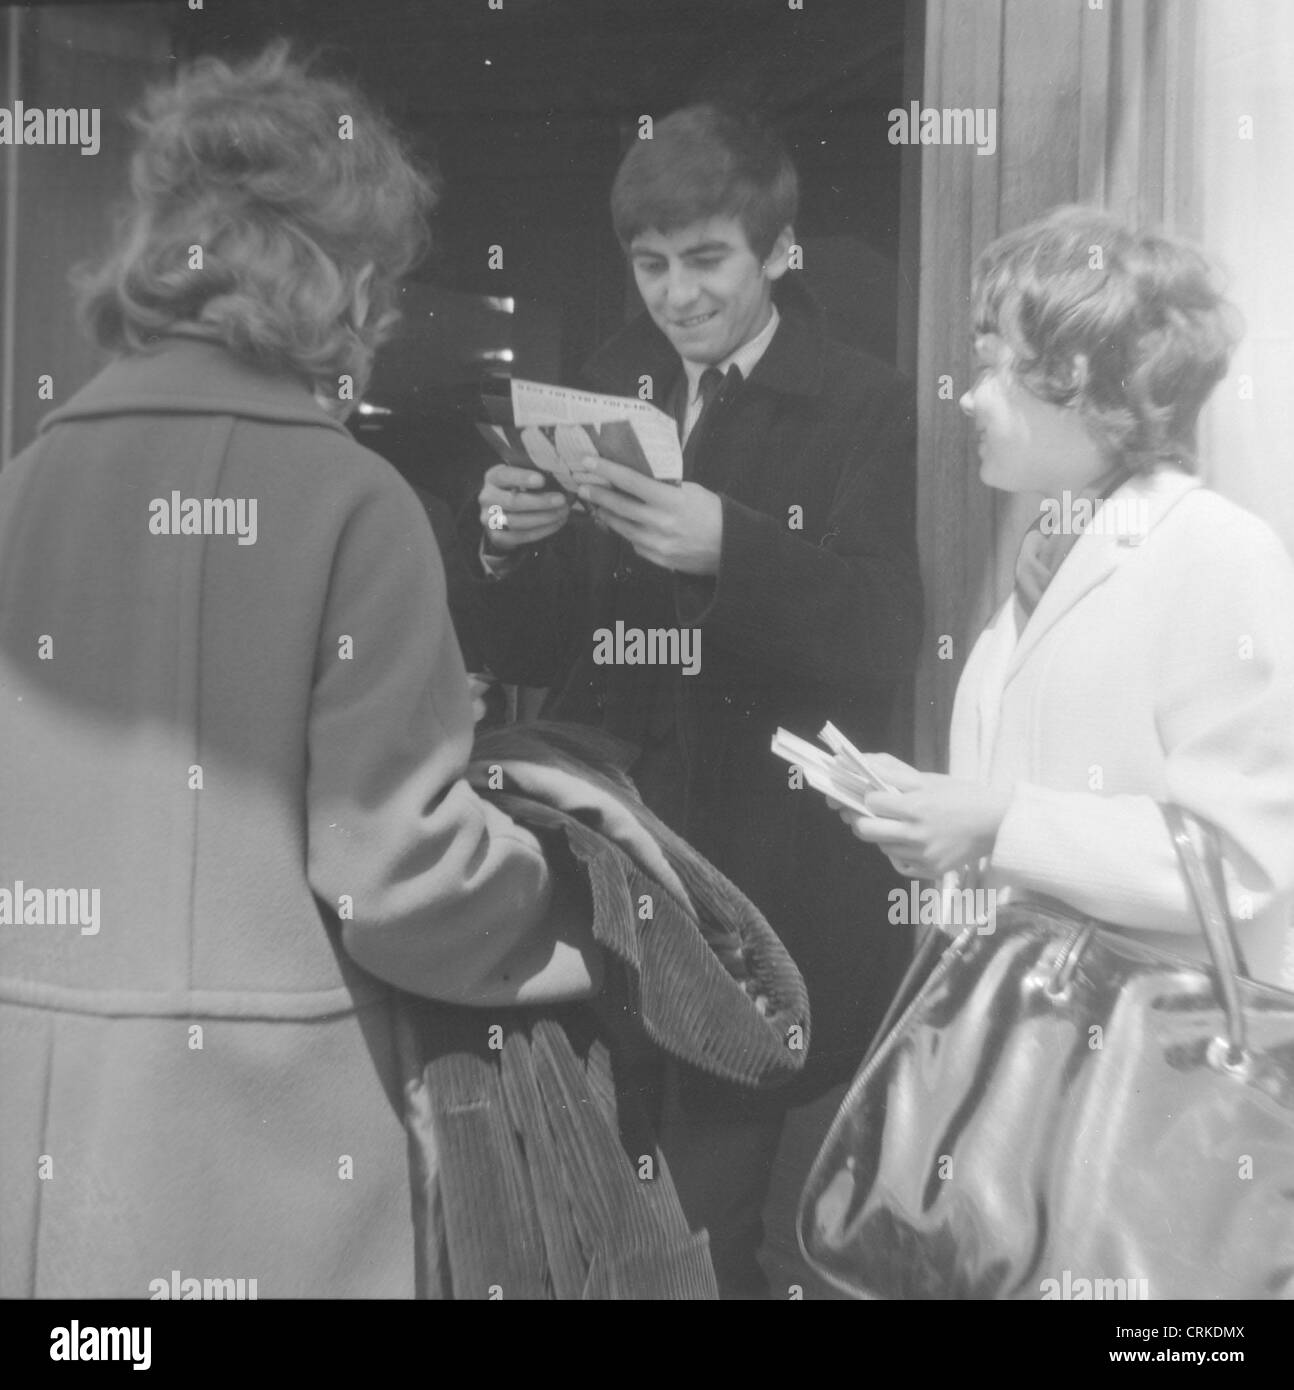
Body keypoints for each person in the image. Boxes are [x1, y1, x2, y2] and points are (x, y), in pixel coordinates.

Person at [0, 44, 603, 1299]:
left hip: (42, 1138)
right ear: (336, 274)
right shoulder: (348, 499)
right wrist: (578, 906)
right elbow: (397, 873)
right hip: (261, 1158)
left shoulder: (23, 488)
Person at [459, 103, 922, 1296]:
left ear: (776, 253)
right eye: (650, 264)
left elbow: (887, 636)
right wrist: (509, 544)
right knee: (607, 1185)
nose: (677, 293)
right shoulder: (607, 384)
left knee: (713, 1224)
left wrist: (734, 548)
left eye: (707, 259)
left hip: (762, 875)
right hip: (616, 861)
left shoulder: (864, 400)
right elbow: (533, 642)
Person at [836, 205, 1294, 988]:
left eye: (991, 367)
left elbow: (1242, 862)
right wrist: (935, 825)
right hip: (1037, 1045)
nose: (969, 398)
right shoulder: (1054, 552)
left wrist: (996, 823)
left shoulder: (1216, 553)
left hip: (1150, 1064)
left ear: (1073, 372)